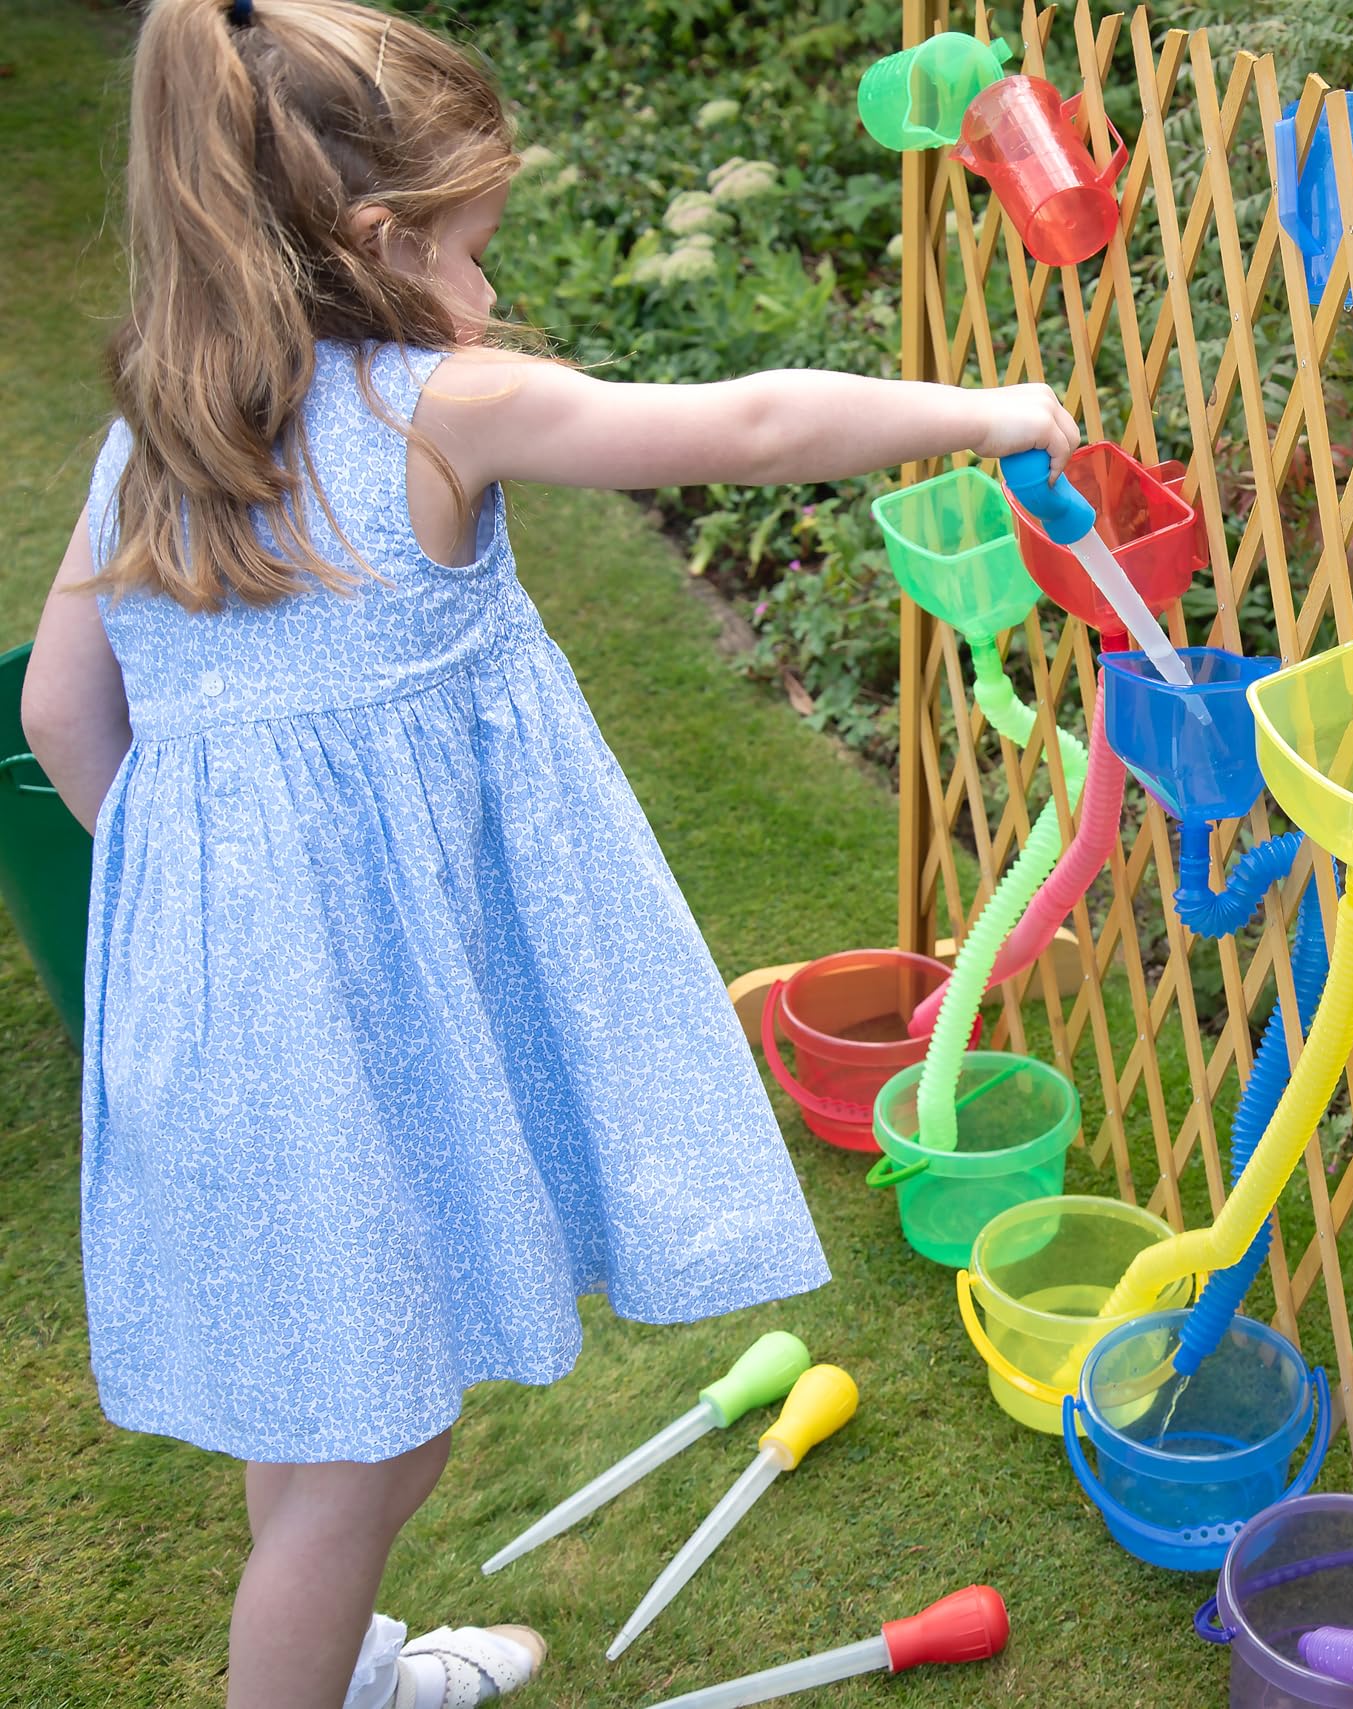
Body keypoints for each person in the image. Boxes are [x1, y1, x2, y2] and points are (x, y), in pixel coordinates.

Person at [19, 2, 1078, 1705]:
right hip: (362, 1034)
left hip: (223, 1018)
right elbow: (740, 429)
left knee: (325, 1399)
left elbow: (71, 723)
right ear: (375, 242)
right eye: (472, 250)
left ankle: (340, 1651)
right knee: (379, 1454)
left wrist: (217, 911)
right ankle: (308, 1678)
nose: (491, 291)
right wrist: (995, 408)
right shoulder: (442, 407)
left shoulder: (147, 453)